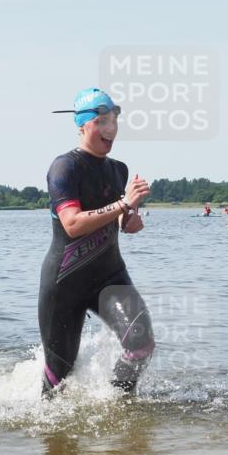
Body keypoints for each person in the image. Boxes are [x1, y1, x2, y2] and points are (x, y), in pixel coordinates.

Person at [41, 88, 155, 395]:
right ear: (82, 125)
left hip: (109, 274)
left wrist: (129, 219)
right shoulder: (64, 167)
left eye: (114, 121)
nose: (110, 129)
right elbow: (73, 224)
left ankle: (118, 404)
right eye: (102, 121)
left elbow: (117, 219)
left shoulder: (118, 169)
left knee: (140, 344)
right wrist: (122, 205)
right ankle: (50, 435)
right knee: (57, 381)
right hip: (65, 282)